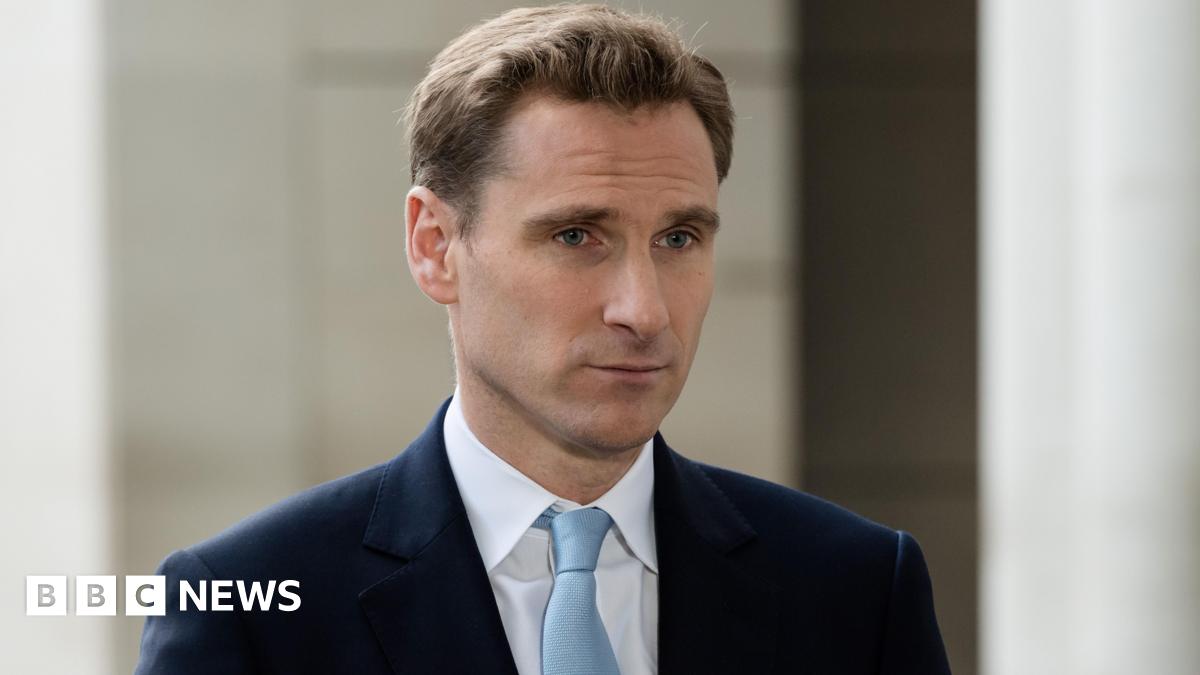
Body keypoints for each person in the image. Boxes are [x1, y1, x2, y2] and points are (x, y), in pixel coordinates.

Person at [135, 5, 950, 674]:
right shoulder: (242, 607)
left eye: (678, 239)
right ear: (435, 245)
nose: (644, 310)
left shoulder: (855, 589)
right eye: (575, 236)